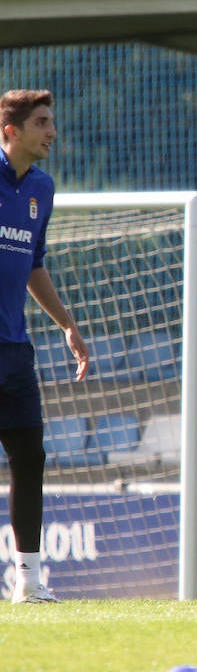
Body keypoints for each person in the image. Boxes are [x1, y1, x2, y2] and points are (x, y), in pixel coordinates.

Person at [0, 89, 90, 604]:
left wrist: (67, 325)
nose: (51, 132)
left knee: (30, 458)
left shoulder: (42, 188)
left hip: (15, 350)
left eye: (52, 121)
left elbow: (34, 264)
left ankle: (28, 582)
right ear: (11, 131)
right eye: (41, 123)